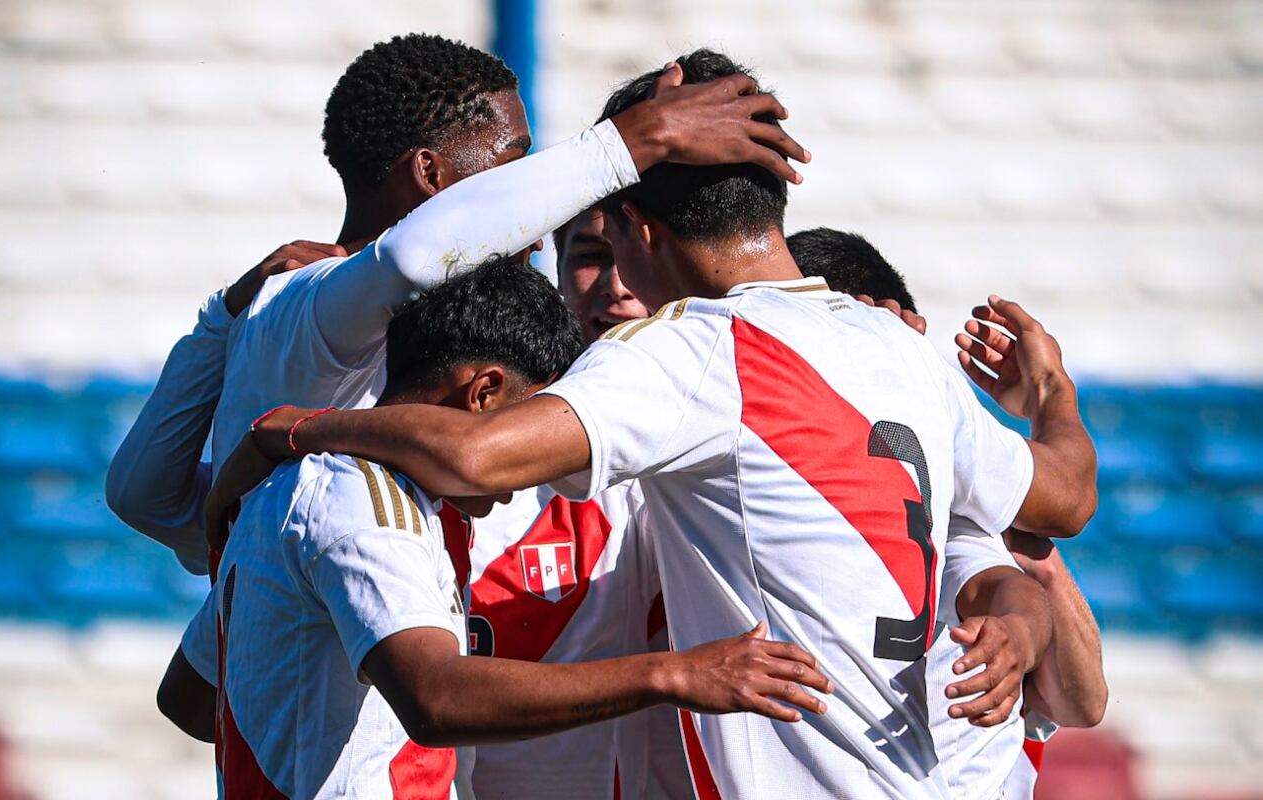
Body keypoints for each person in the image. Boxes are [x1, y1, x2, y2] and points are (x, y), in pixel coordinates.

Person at [212, 50, 1098, 799]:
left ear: (635, 224)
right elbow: (1061, 499)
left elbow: (476, 458)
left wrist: (298, 429)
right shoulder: (900, 352)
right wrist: (1050, 390)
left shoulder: (693, 355)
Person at [105, 33, 809, 574]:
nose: (532, 214)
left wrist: (219, 320)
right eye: (513, 170)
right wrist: (638, 140)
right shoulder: (319, 303)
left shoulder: (302, 315)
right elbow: (414, 255)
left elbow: (144, 496)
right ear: (431, 177)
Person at [160, 258, 831, 799]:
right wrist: (675, 674)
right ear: (482, 394)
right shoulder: (360, 496)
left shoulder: (298, 487)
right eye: (524, 426)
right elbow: (436, 697)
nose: (525, 465)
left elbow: (189, 698)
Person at [788, 226, 1108, 798]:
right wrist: (1047, 388)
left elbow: (1082, 701)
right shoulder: (770, 482)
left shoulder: (942, 484)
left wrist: (1031, 566)